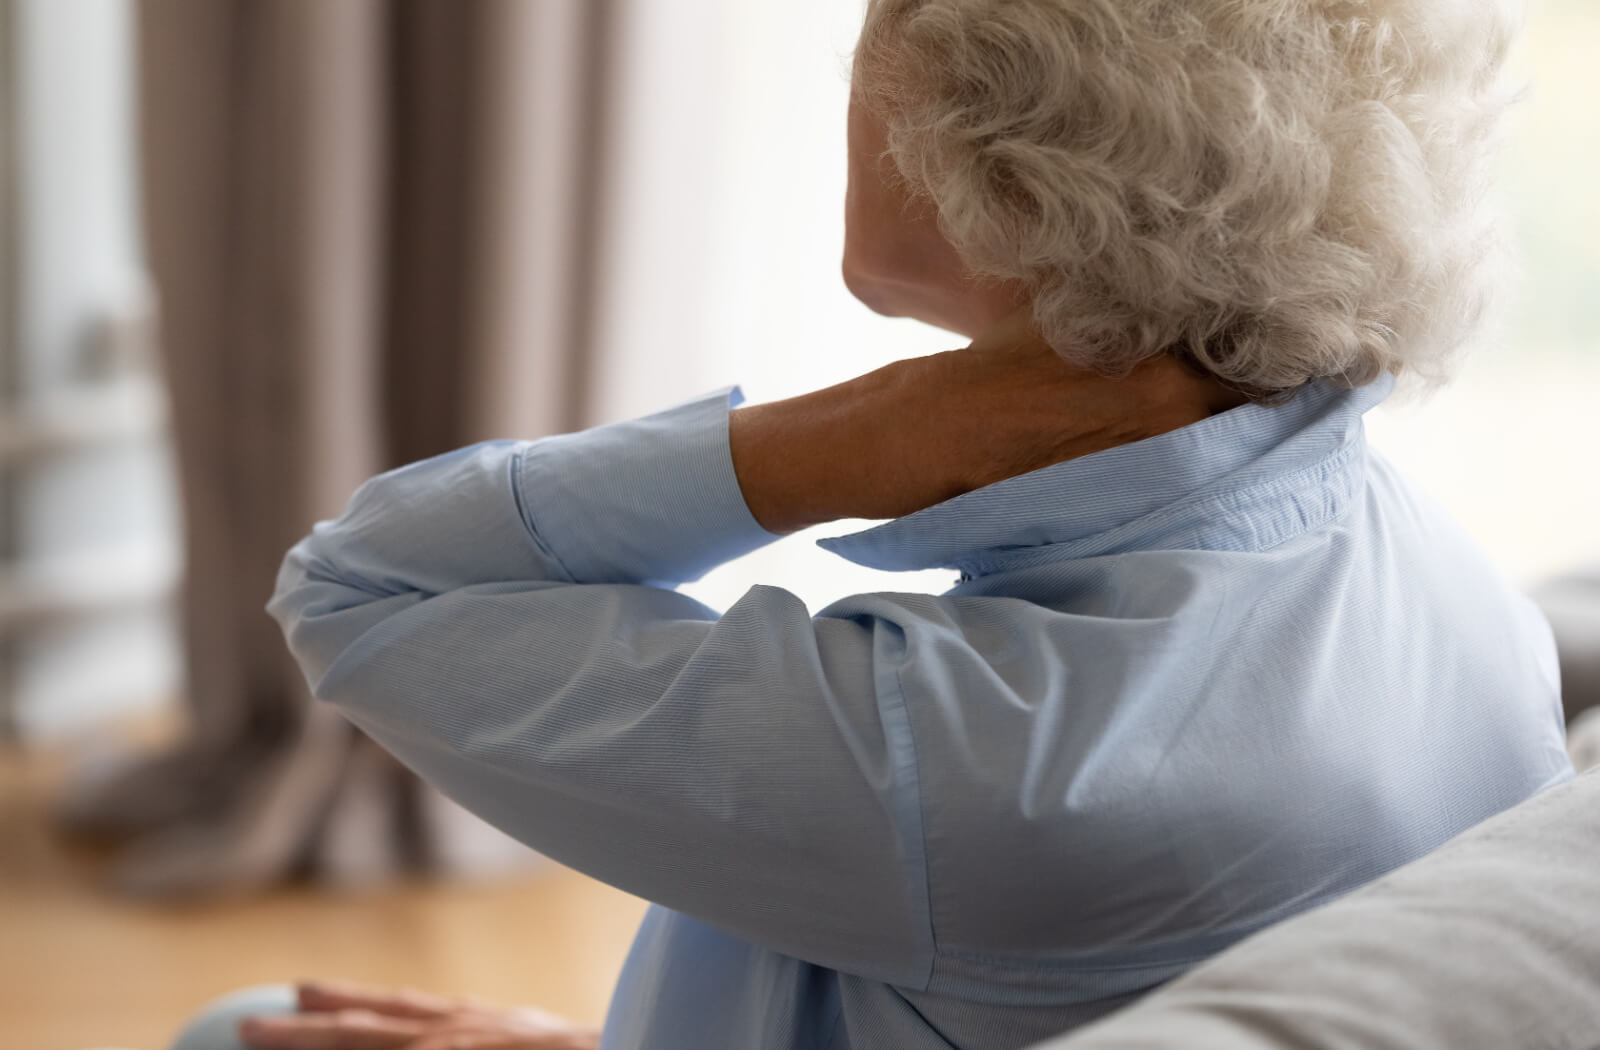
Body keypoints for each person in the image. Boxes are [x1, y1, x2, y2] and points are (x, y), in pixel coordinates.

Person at [176, 0, 1571, 1047]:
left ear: (1009, 184)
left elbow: (360, 586)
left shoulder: (977, 750)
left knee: (225, 1026)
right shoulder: (1460, 594)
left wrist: (860, 436)